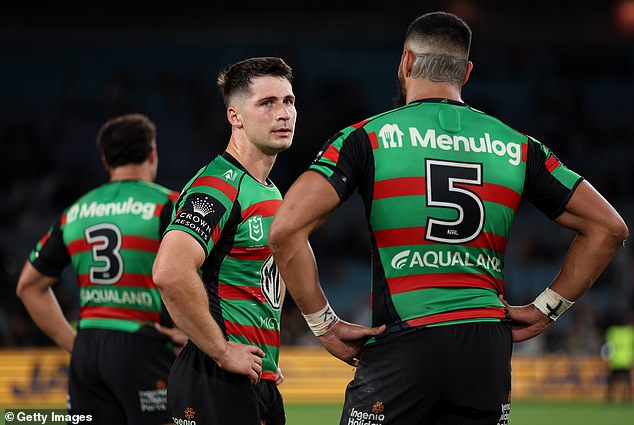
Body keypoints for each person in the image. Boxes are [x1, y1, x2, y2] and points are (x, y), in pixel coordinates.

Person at [269, 11, 629, 425]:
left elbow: (287, 227)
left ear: (405, 61)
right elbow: (609, 228)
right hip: (486, 350)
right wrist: (547, 307)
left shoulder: (366, 137)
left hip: (405, 341)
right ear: (467, 72)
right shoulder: (517, 145)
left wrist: (324, 325)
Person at [152, 56, 296, 425]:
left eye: (288, 101)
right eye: (267, 103)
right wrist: (221, 350)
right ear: (235, 116)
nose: (283, 113)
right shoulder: (217, 186)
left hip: (252, 377)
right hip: (214, 378)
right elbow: (170, 271)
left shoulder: (269, 191)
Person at [16, 113, 183, 425]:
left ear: (106, 161)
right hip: (143, 343)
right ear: (152, 153)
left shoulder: (76, 212)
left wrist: (75, 343)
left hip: (89, 347)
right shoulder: (169, 204)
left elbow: (28, 286)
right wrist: (193, 335)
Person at [601, 318, 634, 402]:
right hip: (625, 361)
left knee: (611, 382)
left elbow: (608, 347)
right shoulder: (629, 332)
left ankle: (609, 398)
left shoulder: (612, 332)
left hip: (615, 361)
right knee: (627, 382)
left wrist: (606, 359)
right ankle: (627, 398)